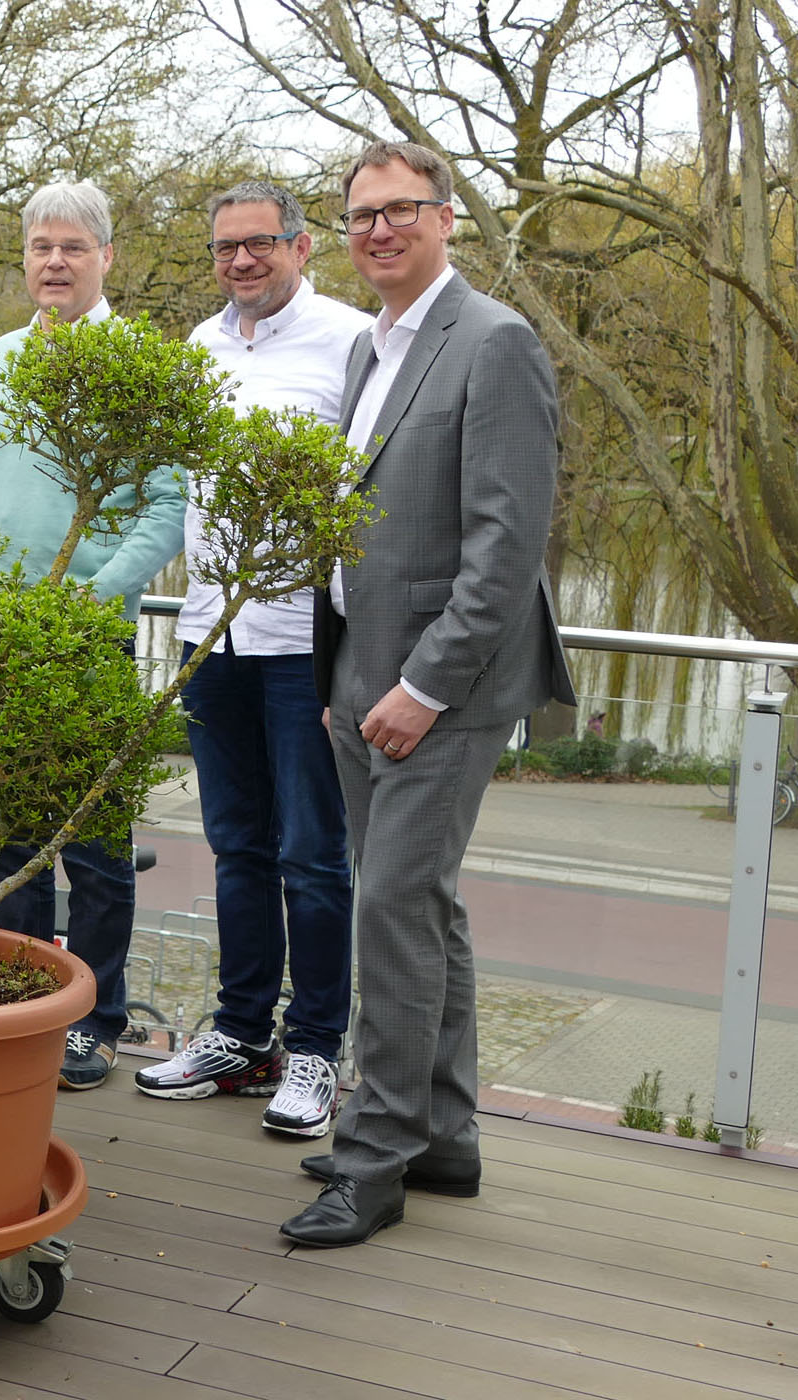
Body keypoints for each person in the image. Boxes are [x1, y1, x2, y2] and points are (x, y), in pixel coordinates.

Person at [282, 140, 572, 1247]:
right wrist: (342, 679)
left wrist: (418, 688)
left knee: (392, 906)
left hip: (441, 688)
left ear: (448, 218)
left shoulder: (494, 343)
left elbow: (506, 548)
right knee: (423, 906)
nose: (380, 231)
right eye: (361, 216)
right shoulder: (373, 348)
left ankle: (376, 1154)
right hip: (360, 674)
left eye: (402, 211)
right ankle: (444, 1133)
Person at [132, 181, 370, 1138]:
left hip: (303, 644)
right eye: (226, 248)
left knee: (314, 858)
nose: (241, 263)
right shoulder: (203, 346)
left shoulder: (353, 342)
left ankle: (317, 1048)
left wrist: (355, 650)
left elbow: (370, 499)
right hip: (210, 634)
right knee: (237, 850)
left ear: (303, 247)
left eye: (259, 244)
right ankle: (240, 1033)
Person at [0, 180, 184, 1092]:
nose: (55, 261)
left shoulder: (136, 364)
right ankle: (22, 1004)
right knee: (11, 842)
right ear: (24, 259)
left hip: (88, 639)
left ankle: (94, 1019)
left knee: (93, 845)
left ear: (106, 258)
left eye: (73, 247)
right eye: (41, 247)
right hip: (1, 638)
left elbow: (166, 509)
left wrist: (100, 598)